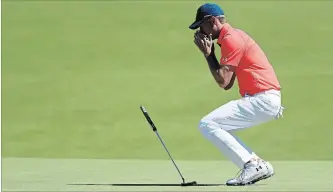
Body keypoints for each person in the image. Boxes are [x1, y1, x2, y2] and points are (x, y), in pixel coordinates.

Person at [188, 3, 285, 186]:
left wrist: (208, 55)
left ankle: (251, 164)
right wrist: (211, 53)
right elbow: (228, 83)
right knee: (217, 125)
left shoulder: (231, 39)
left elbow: (222, 80)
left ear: (213, 21)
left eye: (202, 25)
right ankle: (256, 164)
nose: (201, 31)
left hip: (262, 99)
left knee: (208, 123)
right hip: (265, 98)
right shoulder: (231, 37)